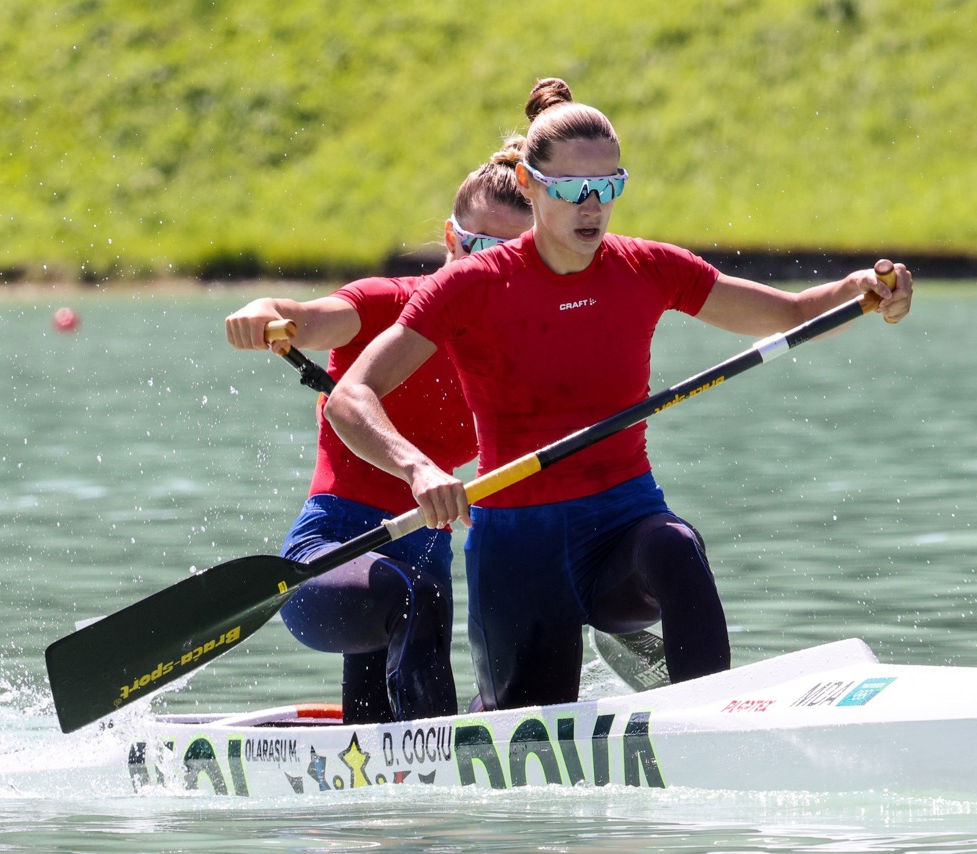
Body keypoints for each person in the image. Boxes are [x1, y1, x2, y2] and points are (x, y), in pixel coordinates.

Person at [324, 78, 914, 712]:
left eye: (609, 187)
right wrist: (418, 470)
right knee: (523, 719)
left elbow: (790, 310)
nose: (593, 206)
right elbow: (350, 397)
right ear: (528, 184)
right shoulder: (470, 285)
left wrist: (860, 290)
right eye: (575, 190)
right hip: (518, 548)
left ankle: (703, 722)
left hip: (620, 527)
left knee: (676, 547)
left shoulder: (647, 268)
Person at [223, 138, 532, 723]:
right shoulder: (386, 305)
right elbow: (306, 319)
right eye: (482, 250)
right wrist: (262, 309)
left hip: (420, 569)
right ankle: (437, 761)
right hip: (331, 557)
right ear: (450, 240)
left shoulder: (520, 353)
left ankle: (394, 759)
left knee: (433, 604)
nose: (493, 272)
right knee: (413, 592)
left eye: (514, 257)